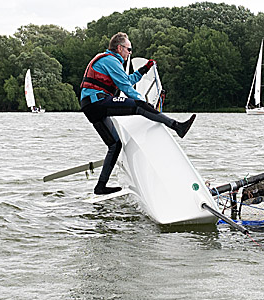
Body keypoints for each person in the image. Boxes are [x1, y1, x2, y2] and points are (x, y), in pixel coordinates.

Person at [80, 32, 196, 195]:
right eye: (129, 49)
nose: (130, 53)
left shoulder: (110, 60)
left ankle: (101, 186)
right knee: (138, 106)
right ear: (119, 48)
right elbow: (126, 88)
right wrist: (143, 104)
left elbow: (127, 81)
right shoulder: (111, 60)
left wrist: (143, 70)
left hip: (90, 106)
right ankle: (177, 126)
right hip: (97, 103)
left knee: (115, 145)